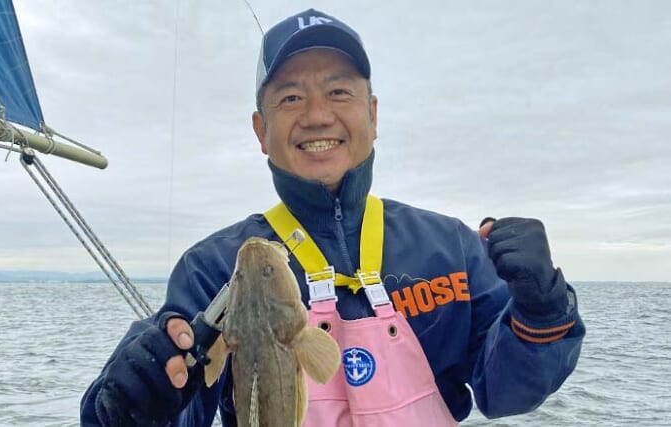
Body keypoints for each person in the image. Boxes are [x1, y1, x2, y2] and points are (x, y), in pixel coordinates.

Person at [81, 8, 585, 426]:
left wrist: (543, 310)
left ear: (373, 114)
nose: (318, 114)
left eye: (339, 92)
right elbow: (181, 404)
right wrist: (123, 403)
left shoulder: (450, 246)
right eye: (291, 97)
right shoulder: (210, 268)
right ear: (261, 130)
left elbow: (506, 394)